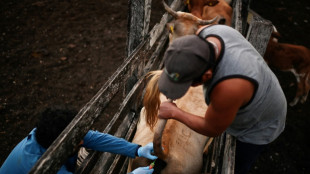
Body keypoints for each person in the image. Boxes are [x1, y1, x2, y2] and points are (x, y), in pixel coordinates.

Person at [157, 24, 287, 174]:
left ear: (206, 76)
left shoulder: (229, 88)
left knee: (237, 165)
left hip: (259, 124)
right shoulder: (209, 31)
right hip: (261, 83)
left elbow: (211, 128)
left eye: (188, 83)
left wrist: (174, 113)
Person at [0, 106, 157, 174]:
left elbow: (94, 138)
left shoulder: (50, 134)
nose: (82, 142)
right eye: (77, 141)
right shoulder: (43, 167)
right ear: (58, 147)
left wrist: (136, 149)